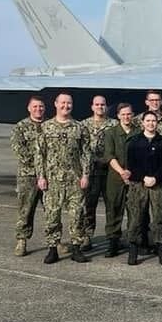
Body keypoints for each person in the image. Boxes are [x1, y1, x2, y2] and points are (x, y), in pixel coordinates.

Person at [36, 93, 91, 264]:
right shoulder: (45, 127)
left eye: (69, 103)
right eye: (63, 103)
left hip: (74, 179)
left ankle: (76, 248)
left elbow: (86, 153)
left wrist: (85, 174)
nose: (66, 106)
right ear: (55, 104)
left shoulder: (79, 127)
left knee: (77, 215)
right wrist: (41, 176)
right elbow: (40, 154)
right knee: (52, 215)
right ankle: (52, 249)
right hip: (52, 180)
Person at [125, 111, 162, 266]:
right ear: (143, 122)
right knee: (136, 217)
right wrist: (143, 177)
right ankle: (133, 249)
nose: (151, 123)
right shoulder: (134, 141)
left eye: (154, 121)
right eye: (148, 120)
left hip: (159, 184)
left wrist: (155, 178)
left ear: (157, 123)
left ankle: (161, 248)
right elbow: (131, 164)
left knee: (159, 217)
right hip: (138, 184)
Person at [9, 96, 45, 257]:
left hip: (49, 176)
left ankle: (54, 241)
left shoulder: (49, 126)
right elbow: (19, 150)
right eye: (35, 106)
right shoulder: (21, 127)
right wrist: (39, 167)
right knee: (25, 210)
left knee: (52, 210)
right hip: (28, 175)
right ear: (29, 108)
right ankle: (22, 240)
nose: (38, 109)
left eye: (41, 106)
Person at [101, 103, 138, 257]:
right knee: (114, 209)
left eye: (129, 114)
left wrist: (131, 172)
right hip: (115, 177)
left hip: (134, 177)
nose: (126, 117)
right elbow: (109, 155)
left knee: (134, 211)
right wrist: (122, 172)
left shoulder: (138, 132)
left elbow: (141, 156)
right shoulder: (111, 133)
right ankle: (113, 242)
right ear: (118, 116)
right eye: (123, 114)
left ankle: (134, 242)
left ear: (133, 115)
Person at [81, 95, 116, 249]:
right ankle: (87, 236)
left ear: (106, 106)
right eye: (97, 104)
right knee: (89, 205)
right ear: (92, 106)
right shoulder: (83, 125)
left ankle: (113, 237)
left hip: (109, 171)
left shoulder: (114, 124)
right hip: (91, 172)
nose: (100, 107)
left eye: (102, 104)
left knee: (112, 206)